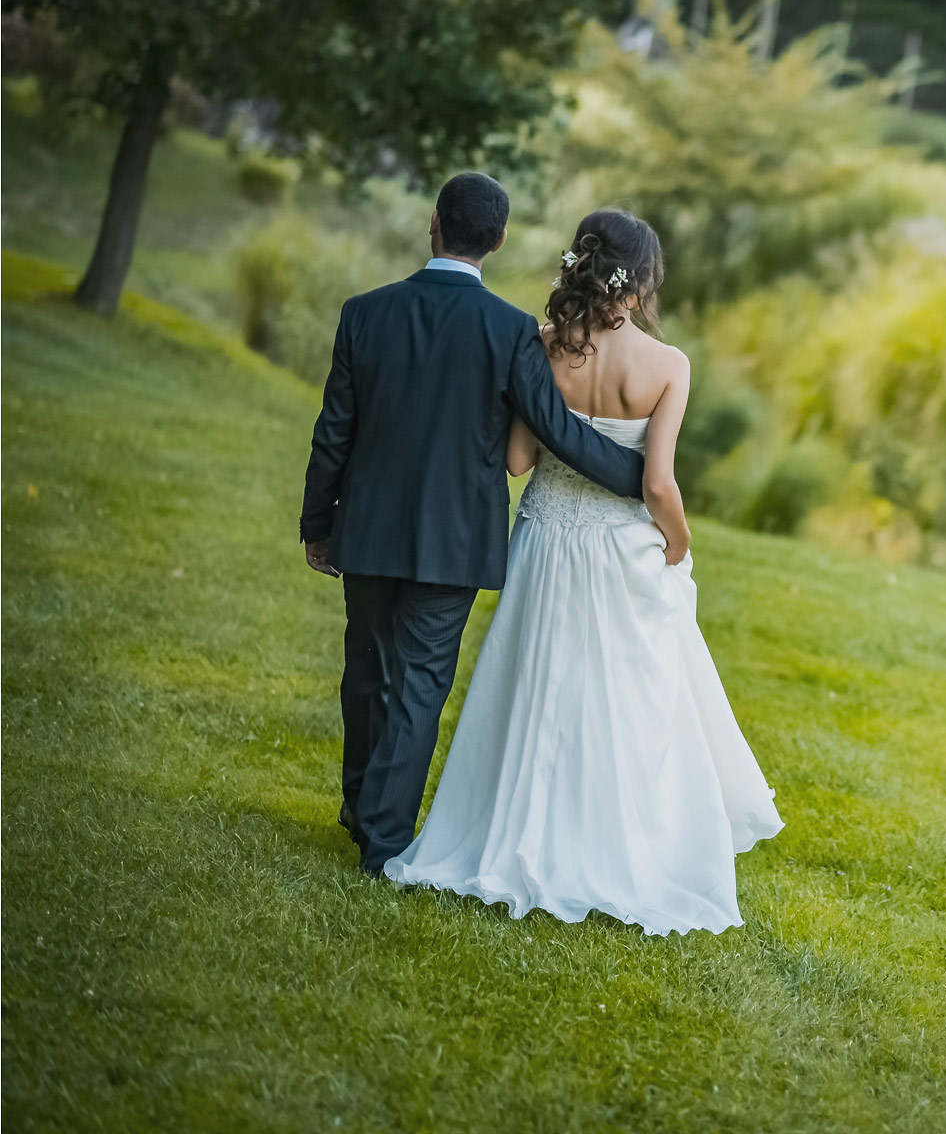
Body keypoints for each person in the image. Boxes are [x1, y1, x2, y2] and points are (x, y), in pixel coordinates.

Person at [382, 209, 782, 932]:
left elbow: (517, 461)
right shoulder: (667, 366)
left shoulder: (541, 348)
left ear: (580, 265)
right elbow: (658, 484)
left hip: (546, 536)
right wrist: (680, 542)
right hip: (620, 547)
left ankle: (514, 834)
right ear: (641, 282)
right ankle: (616, 846)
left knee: (535, 688)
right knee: (624, 698)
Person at [300, 173, 652, 877]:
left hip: (366, 528)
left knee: (366, 669)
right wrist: (640, 479)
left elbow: (333, 431)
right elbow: (555, 431)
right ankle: (384, 840)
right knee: (421, 682)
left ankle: (359, 806)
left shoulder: (364, 313)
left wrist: (319, 523)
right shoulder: (509, 330)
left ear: (433, 223)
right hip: (457, 539)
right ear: (498, 240)